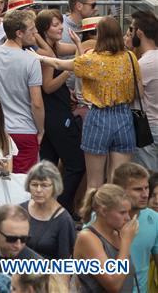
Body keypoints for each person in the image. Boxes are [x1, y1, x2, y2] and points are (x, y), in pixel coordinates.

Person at [37, 16, 141, 189]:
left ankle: (93, 216)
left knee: (94, 181)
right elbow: (140, 92)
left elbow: (58, 63)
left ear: (100, 35)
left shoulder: (92, 60)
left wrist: (38, 57)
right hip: (124, 117)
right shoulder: (130, 57)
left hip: (98, 117)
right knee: (118, 181)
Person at [0, 9, 44, 174]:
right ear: (19, 33)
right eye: (32, 30)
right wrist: (41, 129)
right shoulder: (31, 60)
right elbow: (36, 103)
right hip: (24, 130)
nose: (35, 33)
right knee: (22, 186)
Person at [33, 8, 86, 210]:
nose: (61, 27)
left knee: (48, 165)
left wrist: (80, 44)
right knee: (76, 164)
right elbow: (48, 86)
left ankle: (45, 206)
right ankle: (61, 206)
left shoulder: (53, 46)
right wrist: (68, 70)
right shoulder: (46, 54)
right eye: (55, 25)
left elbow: (76, 55)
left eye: (60, 23)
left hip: (53, 113)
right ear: (45, 30)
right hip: (55, 114)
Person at [73, 184, 138, 292]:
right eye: (122, 212)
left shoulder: (118, 234)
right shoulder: (88, 238)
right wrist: (126, 242)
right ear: (103, 211)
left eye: (128, 212)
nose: (128, 218)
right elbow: (114, 284)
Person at [111, 161, 158, 292]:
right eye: (138, 189)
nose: (145, 194)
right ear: (120, 190)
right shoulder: (98, 220)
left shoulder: (154, 219)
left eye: (146, 188)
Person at [21, 161, 76, 259]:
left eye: (44, 185)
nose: (38, 190)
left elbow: (65, 264)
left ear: (55, 187)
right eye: (34, 184)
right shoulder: (21, 210)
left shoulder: (64, 220)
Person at [131, 11, 158, 171]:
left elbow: (133, 94)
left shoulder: (142, 65)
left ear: (139, 32)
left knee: (148, 178)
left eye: (132, 29)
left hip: (147, 127)